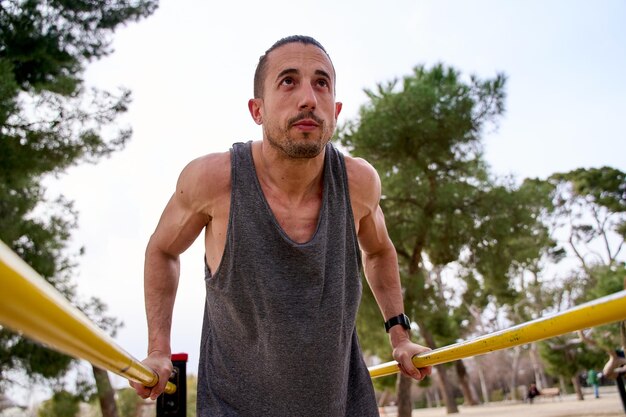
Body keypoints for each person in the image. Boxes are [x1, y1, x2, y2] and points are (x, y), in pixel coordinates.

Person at [130, 35, 432, 416]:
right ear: (257, 109)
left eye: (321, 83)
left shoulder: (359, 183)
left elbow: (380, 250)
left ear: (335, 110)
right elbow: (162, 249)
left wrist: (400, 337)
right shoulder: (213, 180)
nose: (308, 98)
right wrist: (158, 349)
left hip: (345, 406)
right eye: (288, 81)